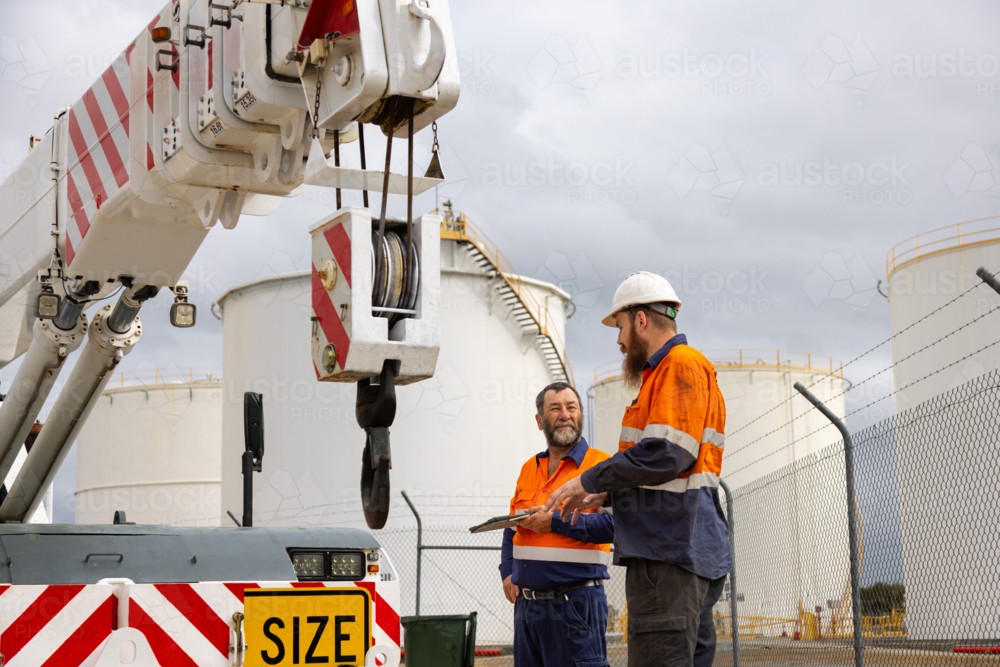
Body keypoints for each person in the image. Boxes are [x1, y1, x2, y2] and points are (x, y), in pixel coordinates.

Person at [544, 272, 731, 667]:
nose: (619, 340)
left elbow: (668, 454)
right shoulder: (674, 372)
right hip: (689, 549)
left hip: (668, 554)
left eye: (621, 326)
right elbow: (671, 464)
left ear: (641, 320)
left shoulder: (677, 367)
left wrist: (590, 478)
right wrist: (609, 493)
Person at [500, 382, 614, 667]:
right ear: (540, 421)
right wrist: (506, 572)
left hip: (575, 603)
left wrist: (555, 523)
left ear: (581, 415)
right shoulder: (529, 469)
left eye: (571, 407)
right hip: (527, 609)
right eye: (555, 408)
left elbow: (616, 525)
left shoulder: (602, 466)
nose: (565, 414)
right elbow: (511, 527)